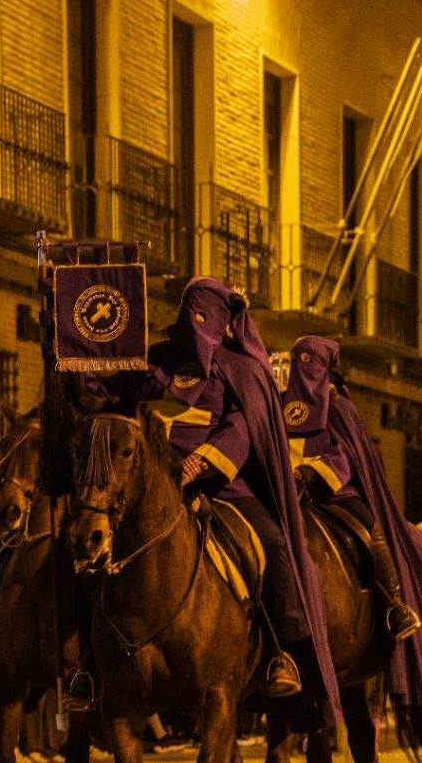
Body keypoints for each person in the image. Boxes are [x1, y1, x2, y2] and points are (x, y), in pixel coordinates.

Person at [141, 277, 336, 702]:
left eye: (210, 315)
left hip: (223, 485)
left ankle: (283, 651)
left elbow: (244, 425)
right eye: (195, 312)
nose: (201, 325)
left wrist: (202, 462)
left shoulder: (242, 368)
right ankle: (87, 659)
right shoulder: (157, 358)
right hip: (154, 481)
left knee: (275, 545)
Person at [281, 336, 422, 639]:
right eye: (298, 360)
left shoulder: (340, 407)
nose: (303, 367)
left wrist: (309, 472)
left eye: (311, 360)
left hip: (334, 492)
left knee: (369, 531)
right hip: (287, 490)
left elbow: (345, 454)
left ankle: (396, 605)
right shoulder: (282, 403)